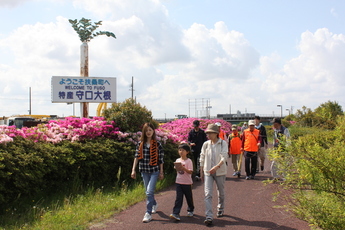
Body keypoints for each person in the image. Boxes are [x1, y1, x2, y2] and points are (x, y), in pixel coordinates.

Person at [131, 123, 164, 223]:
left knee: (149, 192)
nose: (148, 132)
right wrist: (133, 170)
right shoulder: (140, 144)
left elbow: (161, 160)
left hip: (154, 171)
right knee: (148, 192)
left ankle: (148, 213)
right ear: (144, 132)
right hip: (144, 171)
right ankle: (154, 203)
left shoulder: (158, 144)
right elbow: (136, 158)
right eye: (146, 130)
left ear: (153, 131)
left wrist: (161, 172)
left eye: (150, 130)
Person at [200, 123, 228, 226]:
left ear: (216, 133)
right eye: (207, 133)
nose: (208, 135)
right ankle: (209, 216)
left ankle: (220, 208)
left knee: (220, 191)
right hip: (208, 172)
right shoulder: (206, 144)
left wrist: (216, 167)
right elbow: (202, 157)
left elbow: (224, 157)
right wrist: (201, 171)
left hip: (220, 172)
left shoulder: (223, 143)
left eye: (210, 133)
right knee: (208, 194)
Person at [169, 143, 195, 221]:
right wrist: (176, 167)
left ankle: (190, 209)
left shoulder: (189, 161)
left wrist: (184, 169)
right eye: (180, 150)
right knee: (178, 198)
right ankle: (176, 213)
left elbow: (190, 172)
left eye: (183, 150)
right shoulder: (177, 160)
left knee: (188, 197)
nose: (181, 152)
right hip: (179, 182)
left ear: (187, 152)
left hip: (187, 183)